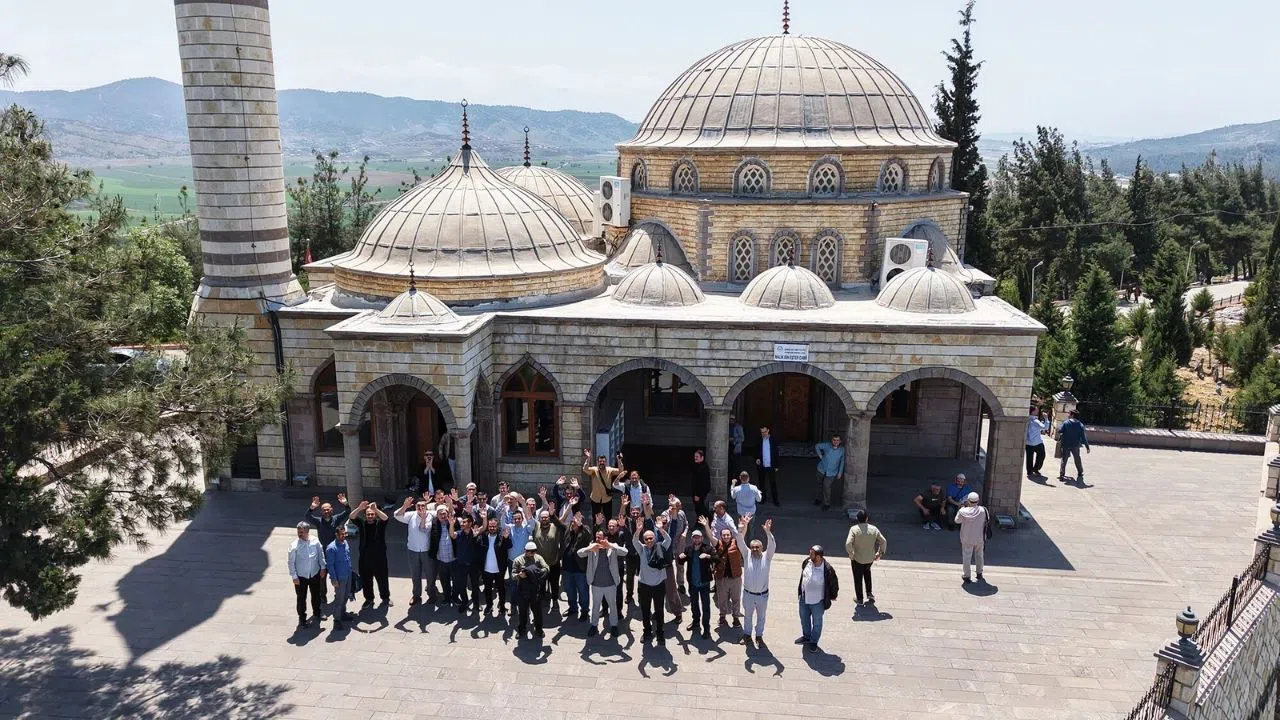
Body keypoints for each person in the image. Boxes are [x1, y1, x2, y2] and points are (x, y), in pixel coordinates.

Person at [732, 514, 775, 645]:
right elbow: (740, 540)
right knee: (748, 616)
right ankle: (747, 635)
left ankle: (759, 636)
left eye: (757, 547)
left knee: (761, 617)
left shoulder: (767, 557)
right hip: (748, 594)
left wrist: (768, 532)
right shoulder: (747, 555)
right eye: (753, 547)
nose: (755, 549)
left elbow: (772, 544)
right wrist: (742, 527)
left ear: (762, 548)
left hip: (762, 595)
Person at [579, 528, 627, 638]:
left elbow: (625, 552)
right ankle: (594, 625)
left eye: (599, 537)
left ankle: (614, 626)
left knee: (612, 606)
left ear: (605, 538)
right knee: (595, 606)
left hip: (610, 584)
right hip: (596, 584)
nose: (597, 539)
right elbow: (579, 553)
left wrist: (610, 545)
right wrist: (590, 548)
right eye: (596, 537)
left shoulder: (612, 546)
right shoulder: (592, 547)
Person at [632, 515, 672, 645]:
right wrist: (638, 530)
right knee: (645, 610)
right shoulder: (642, 549)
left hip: (659, 585)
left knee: (659, 610)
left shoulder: (660, 547)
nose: (649, 540)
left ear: (654, 538)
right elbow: (634, 541)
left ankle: (660, 633)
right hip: (644, 586)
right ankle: (647, 632)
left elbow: (668, 539)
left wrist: (660, 529)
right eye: (646, 539)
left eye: (651, 538)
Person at [304, 493, 351, 605]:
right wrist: (312, 507)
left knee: (337, 575)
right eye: (324, 510)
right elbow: (307, 516)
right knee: (322, 577)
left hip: (336, 553)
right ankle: (323, 596)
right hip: (323, 554)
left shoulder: (336, 519)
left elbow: (347, 512)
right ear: (321, 511)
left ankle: (337, 593)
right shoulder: (319, 521)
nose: (326, 511)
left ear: (332, 510)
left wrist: (345, 503)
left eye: (328, 509)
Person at [796, 545, 838, 653]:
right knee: (804, 619)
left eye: (812, 554)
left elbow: (834, 583)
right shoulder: (807, 562)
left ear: (819, 557)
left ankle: (814, 641)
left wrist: (832, 596)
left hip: (818, 601)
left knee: (817, 622)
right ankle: (806, 636)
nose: (810, 555)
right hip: (804, 599)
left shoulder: (827, 569)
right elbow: (803, 578)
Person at [531, 497, 569, 615]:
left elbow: (564, 527)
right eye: (542, 518)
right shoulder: (536, 526)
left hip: (554, 562)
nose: (544, 519)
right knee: (541, 584)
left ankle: (555, 600)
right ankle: (543, 599)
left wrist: (554, 516)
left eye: (546, 517)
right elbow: (528, 517)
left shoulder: (555, 527)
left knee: (554, 584)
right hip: (540, 564)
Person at [394, 497, 434, 605]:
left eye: (423, 506)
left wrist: (424, 517)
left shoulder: (430, 515)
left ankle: (431, 595)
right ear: (415, 507)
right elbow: (396, 515)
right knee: (415, 575)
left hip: (426, 550)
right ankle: (416, 596)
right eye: (418, 506)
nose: (421, 508)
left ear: (426, 506)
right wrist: (405, 506)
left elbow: (424, 529)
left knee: (430, 575)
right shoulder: (411, 515)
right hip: (412, 550)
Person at [288, 522, 326, 629]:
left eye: (302, 532)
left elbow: (320, 554)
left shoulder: (315, 541)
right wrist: (294, 576)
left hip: (314, 574)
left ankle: (317, 612)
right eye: (298, 532)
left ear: (307, 531)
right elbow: (291, 562)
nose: (299, 534)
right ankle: (302, 618)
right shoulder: (294, 545)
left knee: (316, 595)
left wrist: (323, 567)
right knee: (301, 598)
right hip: (301, 577)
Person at [679, 528, 716, 639]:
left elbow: (717, 559)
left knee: (705, 607)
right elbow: (680, 562)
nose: (696, 539)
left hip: (704, 583)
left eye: (698, 537)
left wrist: (708, 556)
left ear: (702, 538)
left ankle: (706, 628)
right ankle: (696, 622)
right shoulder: (689, 549)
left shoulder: (707, 548)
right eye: (694, 537)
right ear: (692, 539)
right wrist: (680, 557)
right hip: (692, 583)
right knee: (694, 605)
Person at [844, 509, 886, 606]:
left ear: (857, 519)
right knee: (867, 573)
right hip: (870, 558)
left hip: (857, 558)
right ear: (867, 518)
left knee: (857, 578)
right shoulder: (874, 529)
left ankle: (860, 599)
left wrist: (851, 554)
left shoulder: (854, 529)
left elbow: (848, 543)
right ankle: (869, 593)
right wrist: (879, 553)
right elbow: (883, 541)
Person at [353, 500, 391, 607]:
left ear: (375, 515)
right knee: (366, 581)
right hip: (365, 559)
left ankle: (385, 598)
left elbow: (386, 518)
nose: (370, 516)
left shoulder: (380, 524)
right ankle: (369, 599)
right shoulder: (362, 524)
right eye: (368, 514)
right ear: (365, 515)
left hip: (380, 558)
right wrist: (360, 508)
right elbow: (352, 516)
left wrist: (376, 509)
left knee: (382, 580)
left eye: (372, 514)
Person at [510, 541, 549, 638]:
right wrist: (519, 575)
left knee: (537, 611)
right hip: (522, 589)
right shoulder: (518, 560)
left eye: (534, 551)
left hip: (535, 589)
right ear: (525, 551)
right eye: (530, 551)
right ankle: (522, 629)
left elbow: (547, 568)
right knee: (522, 612)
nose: (532, 553)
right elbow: (512, 574)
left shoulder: (538, 558)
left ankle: (539, 629)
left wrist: (536, 572)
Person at [710, 519, 743, 628]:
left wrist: (743, 525)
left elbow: (742, 534)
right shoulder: (718, 544)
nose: (726, 537)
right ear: (721, 536)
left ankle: (736, 617)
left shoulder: (737, 543)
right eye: (724, 535)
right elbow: (710, 537)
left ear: (731, 535)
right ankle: (722, 616)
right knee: (722, 599)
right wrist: (706, 526)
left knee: (736, 599)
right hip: (722, 577)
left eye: (728, 535)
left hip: (735, 577)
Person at [561, 510, 593, 621]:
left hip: (580, 569)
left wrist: (581, 526)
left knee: (583, 592)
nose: (572, 523)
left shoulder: (584, 531)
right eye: (572, 522)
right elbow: (559, 523)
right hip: (566, 569)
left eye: (575, 522)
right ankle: (573, 608)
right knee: (570, 591)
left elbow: (588, 537)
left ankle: (584, 611)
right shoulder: (567, 532)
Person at [324, 525, 355, 629]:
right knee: (339, 599)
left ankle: (343, 613)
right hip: (339, 577)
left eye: (345, 534)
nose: (344, 536)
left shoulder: (345, 543)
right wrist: (333, 579)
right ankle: (337, 619)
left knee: (346, 596)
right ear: (336, 535)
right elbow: (330, 565)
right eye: (341, 534)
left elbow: (348, 558)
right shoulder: (331, 548)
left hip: (348, 574)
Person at [955, 491, 989, 583]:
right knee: (979, 555)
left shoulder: (962, 511)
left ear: (968, 501)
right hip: (979, 537)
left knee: (966, 557)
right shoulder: (983, 510)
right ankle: (979, 573)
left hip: (966, 538)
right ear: (978, 501)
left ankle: (967, 576)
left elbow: (957, 521)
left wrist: (962, 508)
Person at [480, 517, 512, 616]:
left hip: (499, 570)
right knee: (488, 589)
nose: (492, 528)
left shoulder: (502, 537)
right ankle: (489, 605)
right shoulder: (484, 536)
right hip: (486, 569)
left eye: (494, 526)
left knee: (501, 589)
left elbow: (509, 546)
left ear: (497, 526)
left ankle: (502, 606)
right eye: (490, 526)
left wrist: (506, 538)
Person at [582, 449, 625, 521]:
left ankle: (608, 531)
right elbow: (585, 469)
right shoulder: (594, 470)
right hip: (595, 499)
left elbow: (620, 471)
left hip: (607, 499)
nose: (602, 463)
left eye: (603, 461)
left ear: (606, 462)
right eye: (600, 461)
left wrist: (619, 460)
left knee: (608, 518)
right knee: (595, 519)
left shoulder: (609, 470)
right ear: (597, 462)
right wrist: (588, 458)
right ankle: (596, 532)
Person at [454, 512, 482, 612]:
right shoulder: (459, 533)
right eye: (461, 522)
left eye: (464, 522)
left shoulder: (475, 534)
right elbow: (452, 535)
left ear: (470, 524)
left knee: (475, 586)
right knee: (462, 585)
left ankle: (476, 603)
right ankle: (465, 602)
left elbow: (482, 530)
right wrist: (451, 523)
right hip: (461, 565)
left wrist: (475, 536)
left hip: (473, 565)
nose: (462, 524)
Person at [428, 504, 456, 606]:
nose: (443, 516)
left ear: (447, 514)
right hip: (441, 559)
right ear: (437, 515)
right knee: (444, 581)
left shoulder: (453, 523)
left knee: (456, 580)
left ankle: (455, 597)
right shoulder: (434, 524)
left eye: (444, 513)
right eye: (440, 514)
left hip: (453, 558)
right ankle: (447, 598)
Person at [813, 433, 845, 511]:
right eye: (834, 440)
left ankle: (826, 503)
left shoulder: (842, 450)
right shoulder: (827, 445)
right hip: (821, 469)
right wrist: (820, 455)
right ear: (832, 440)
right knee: (819, 485)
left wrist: (840, 472)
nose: (836, 442)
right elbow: (817, 446)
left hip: (832, 472)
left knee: (826, 486)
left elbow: (842, 461)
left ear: (840, 441)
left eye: (837, 440)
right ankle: (818, 499)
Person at [1057, 409, 1090, 484]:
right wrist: (1087, 447)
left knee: (1064, 459)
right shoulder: (1080, 424)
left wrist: (1060, 431)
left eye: (1069, 413)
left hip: (1066, 444)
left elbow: (1060, 431)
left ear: (1072, 415)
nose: (1068, 415)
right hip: (1075, 445)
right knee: (1077, 458)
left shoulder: (1066, 423)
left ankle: (1061, 475)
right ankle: (1080, 472)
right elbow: (1083, 437)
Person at [731, 471, 762, 539]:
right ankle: (750, 543)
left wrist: (733, 485)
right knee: (751, 527)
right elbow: (759, 499)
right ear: (748, 478)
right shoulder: (754, 488)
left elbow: (733, 496)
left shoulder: (736, 489)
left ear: (740, 478)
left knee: (741, 528)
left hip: (741, 512)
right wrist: (759, 493)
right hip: (751, 512)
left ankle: (742, 543)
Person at [753, 425, 779, 505]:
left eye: (764, 432)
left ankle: (775, 500)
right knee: (762, 483)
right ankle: (763, 498)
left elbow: (776, 453)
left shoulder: (773, 440)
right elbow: (755, 450)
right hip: (762, 465)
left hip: (771, 465)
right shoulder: (759, 440)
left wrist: (777, 466)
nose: (763, 434)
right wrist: (757, 458)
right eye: (761, 432)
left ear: (768, 431)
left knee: (773, 483)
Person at [1026, 405, 1050, 478]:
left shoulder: (1026, 419)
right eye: (1036, 410)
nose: (1037, 411)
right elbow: (1045, 427)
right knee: (1041, 455)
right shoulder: (1035, 421)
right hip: (1037, 442)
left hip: (1028, 442)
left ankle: (1029, 471)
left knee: (1029, 457)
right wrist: (1046, 419)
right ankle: (1036, 468)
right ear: (1033, 411)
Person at [691, 449, 712, 520]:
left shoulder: (703, 468)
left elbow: (701, 483)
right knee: (699, 508)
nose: (695, 458)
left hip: (700, 493)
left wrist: (697, 494)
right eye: (695, 456)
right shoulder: (698, 466)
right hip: (697, 492)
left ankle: (705, 521)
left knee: (700, 509)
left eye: (697, 456)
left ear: (702, 458)